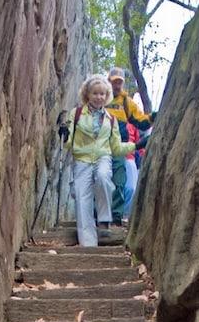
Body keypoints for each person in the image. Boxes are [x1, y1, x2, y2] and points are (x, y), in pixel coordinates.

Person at [58, 75, 147, 247]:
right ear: (87, 95)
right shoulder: (76, 114)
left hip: (102, 157)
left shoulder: (111, 119)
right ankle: (89, 247)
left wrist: (136, 146)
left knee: (103, 177)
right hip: (82, 159)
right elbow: (68, 143)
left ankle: (104, 219)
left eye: (102, 94)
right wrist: (64, 133)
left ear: (106, 96)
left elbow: (116, 148)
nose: (99, 97)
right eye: (95, 93)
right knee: (82, 199)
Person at [106, 68, 156, 226]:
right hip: (98, 146)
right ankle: (98, 215)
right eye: (114, 82)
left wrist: (152, 117)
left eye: (119, 82)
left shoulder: (126, 102)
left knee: (119, 180)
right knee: (101, 179)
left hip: (118, 147)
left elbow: (139, 119)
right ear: (108, 81)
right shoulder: (100, 96)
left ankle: (116, 216)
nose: (116, 85)